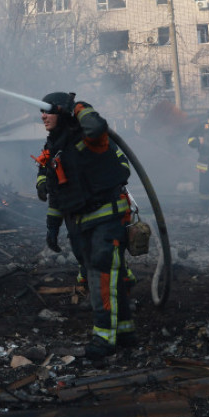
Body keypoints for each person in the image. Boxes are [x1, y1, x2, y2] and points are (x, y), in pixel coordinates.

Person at [35, 91, 134, 360]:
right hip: (80, 224)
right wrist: (52, 226)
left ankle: (104, 338)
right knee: (104, 277)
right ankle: (124, 331)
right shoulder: (56, 146)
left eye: (48, 111)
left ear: (63, 112)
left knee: (102, 275)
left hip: (106, 219)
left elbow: (96, 125)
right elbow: (58, 192)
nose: (43, 116)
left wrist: (78, 106)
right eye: (41, 112)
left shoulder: (89, 138)